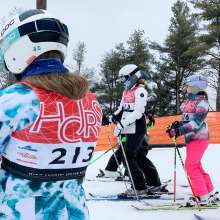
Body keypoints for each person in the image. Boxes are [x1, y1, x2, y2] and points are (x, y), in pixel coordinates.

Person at [0, 9, 102, 219]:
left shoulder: (15, 99)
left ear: (17, 48)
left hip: (21, 211)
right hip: (74, 211)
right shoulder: (90, 100)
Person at [166, 75, 218, 206]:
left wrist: (179, 131)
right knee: (196, 166)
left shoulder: (203, 103)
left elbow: (196, 123)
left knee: (191, 166)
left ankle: (201, 196)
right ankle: (210, 192)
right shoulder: (189, 101)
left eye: (188, 86)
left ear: (195, 87)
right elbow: (187, 119)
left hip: (199, 138)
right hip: (191, 139)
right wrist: (177, 125)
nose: (186, 88)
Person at [108, 64, 150, 195]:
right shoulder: (127, 91)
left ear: (133, 77)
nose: (122, 82)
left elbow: (138, 113)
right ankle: (153, 181)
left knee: (127, 157)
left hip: (137, 127)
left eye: (124, 78)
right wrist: (111, 118)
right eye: (121, 79)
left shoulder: (140, 91)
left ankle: (139, 187)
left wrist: (121, 125)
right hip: (129, 126)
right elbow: (122, 109)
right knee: (137, 157)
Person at [98, 113, 163, 192]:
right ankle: (146, 183)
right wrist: (110, 119)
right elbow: (121, 113)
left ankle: (142, 184)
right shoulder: (126, 109)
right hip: (131, 137)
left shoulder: (138, 110)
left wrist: (150, 118)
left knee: (133, 158)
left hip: (139, 138)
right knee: (132, 158)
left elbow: (144, 123)